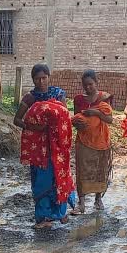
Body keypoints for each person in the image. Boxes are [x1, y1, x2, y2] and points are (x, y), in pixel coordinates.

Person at [14, 63, 77, 229]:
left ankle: (60, 213)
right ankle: (43, 217)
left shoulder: (58, 94)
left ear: (49, 77)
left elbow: (64, 116)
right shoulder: (30, 98)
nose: (41, 81)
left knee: (59, 175)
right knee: (41, 179)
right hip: (38, 147)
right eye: (37, 78)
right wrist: (33, 127)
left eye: (44, 78)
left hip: (56, 144)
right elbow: (17, 120)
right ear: (33, 80)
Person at [72, 69, 114, 214]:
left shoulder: (104, 98)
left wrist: (95, 112)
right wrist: (77, 123)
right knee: (82, 170)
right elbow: (75, 117)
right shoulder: (78, 99)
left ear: (97, 83)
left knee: (100, 170)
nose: (88, 88)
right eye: (85, 85)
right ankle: (81, 203)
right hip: (84, 140)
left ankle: (98, 199)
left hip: (101, 140)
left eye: (91, 84)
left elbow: (110, 119)